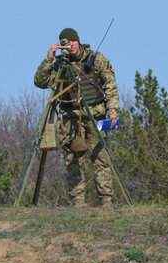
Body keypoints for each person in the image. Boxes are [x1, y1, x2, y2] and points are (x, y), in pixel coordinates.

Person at [33, 27, 119, 207]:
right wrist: (50, 57)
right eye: (65, 44)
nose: (70, 46)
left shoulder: (95, 59)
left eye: (72, 42)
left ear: (78, 41)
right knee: (73, 161)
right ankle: (78, 203)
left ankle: (106, 201)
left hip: (95, 116)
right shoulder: (59, 65)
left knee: (101, 158)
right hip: (70, 118)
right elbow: (40, 81)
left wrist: (112, 110)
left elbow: (110, 85)